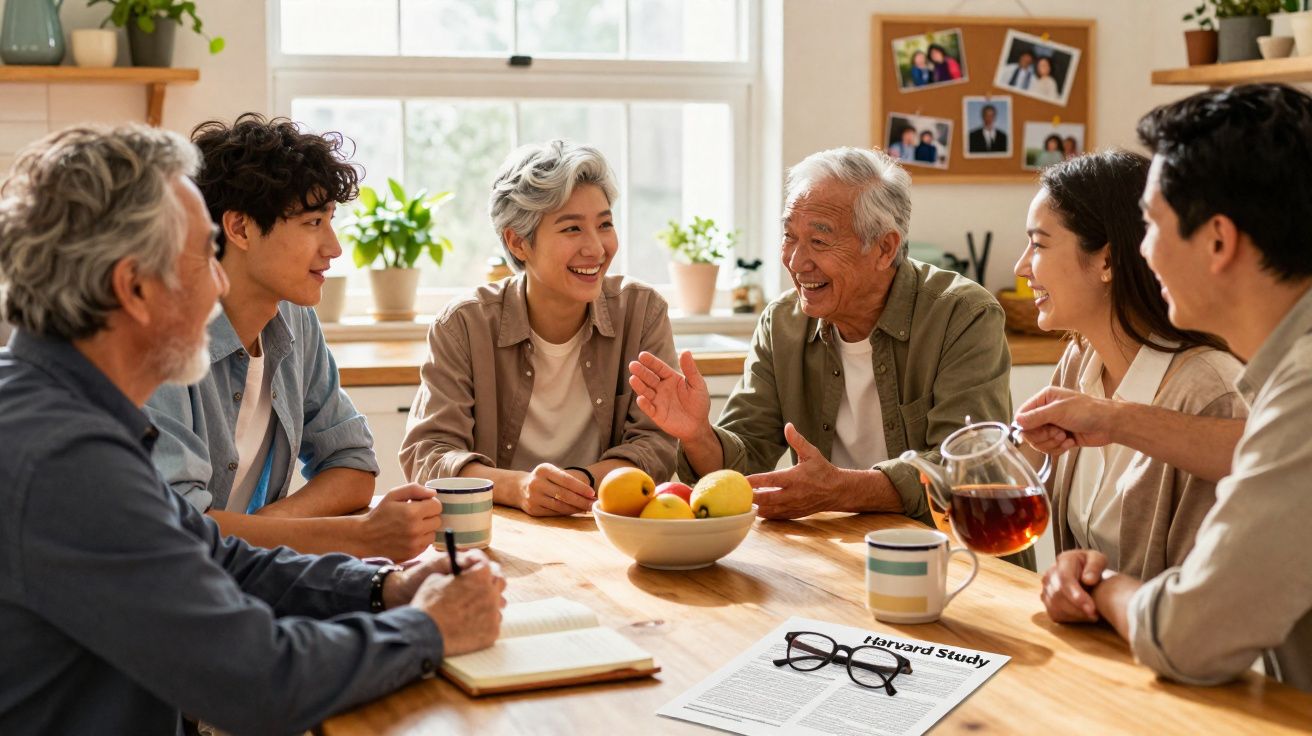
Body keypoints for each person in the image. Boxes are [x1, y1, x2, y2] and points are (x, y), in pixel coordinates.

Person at [0, 123, 506, 733]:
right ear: (133, 287)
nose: (219, 282)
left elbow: (211, 553)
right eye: (201, 259)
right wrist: (429, 628)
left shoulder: (63, 411)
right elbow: (256, 679)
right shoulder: (65, 460)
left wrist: (384, 589)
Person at [1017, 83, 1312, 691]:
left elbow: (1189, 633)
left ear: (1218, 241)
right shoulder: (1285, 378)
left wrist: (1105, 588)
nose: (1142, 252)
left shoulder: (1298, 389)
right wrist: (1114, 420)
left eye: (1150, 226)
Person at [628, 147, 1033, 568]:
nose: (796, 261)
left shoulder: (963, 315)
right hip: (842, 561)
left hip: (962, 563)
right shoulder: (782, 323)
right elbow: (743, 464)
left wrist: (840, 490)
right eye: (789, 236)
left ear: (884, 248)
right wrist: (697, 434)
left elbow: (965, 473)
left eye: (819, 241)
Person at [144, 114, 443, 562]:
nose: (334, 248)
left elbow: (353, 464)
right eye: (312, 222)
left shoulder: (294, 316)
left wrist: (268, 526)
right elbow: (182, 532)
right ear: (240, 228)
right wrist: (357, 536)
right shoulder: (161, 340)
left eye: (330, 220)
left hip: (251, 576)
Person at [1013, 151, 1245, 602]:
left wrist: (1098, 595)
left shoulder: (1210, 394)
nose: (1022, 267)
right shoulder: (1080, 362)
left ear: (1107, 261)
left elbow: (1206, 601)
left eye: (1038, 245)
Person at [402, 140, 677, 517]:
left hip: (606, 527)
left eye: (604, 224)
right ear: (518, 242)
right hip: (498, 528)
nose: (596, 248)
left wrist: (580, 482)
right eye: (572, 228)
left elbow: (657, 444)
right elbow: (429, 454)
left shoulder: (642, 312)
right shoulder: (463, 325)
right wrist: (518, 487)